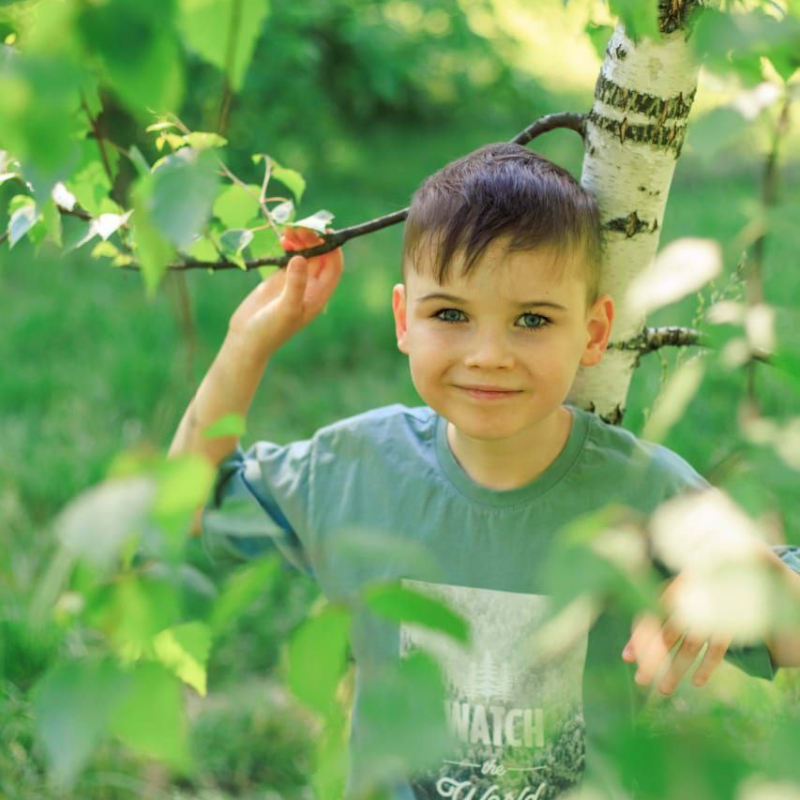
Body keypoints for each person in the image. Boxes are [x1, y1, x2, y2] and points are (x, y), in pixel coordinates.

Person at [168, 142, 800, 800]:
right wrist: (248, 343)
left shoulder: (642, 489)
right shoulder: (360, 470)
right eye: (450, 315)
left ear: (592, 331)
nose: (489, 355)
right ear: (402, 319)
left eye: (531, 320)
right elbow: (188, 506)